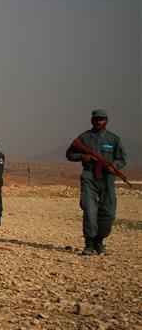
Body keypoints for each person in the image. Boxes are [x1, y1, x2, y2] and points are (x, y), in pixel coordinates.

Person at [66, 109, 127, 255]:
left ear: (107, 120)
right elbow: (70, 154)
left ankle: (99, 242)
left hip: (107, 178)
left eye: (102, 119)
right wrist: (83, 157)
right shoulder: (84, 138)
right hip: (89, 176)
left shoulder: (113, 139)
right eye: (96, 119)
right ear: (92, 120)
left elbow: (122, 158)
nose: (99, 122)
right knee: (89, 210)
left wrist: (114, 166)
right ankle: (89, 243)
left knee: (109, 212)